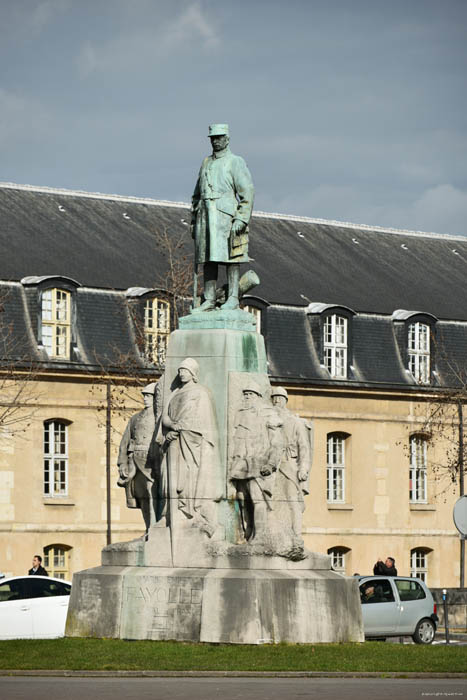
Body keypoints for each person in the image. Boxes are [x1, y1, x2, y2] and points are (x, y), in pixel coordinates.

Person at [191, 123, 255, 312]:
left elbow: (247, 192)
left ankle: (233, 297)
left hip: (226, 217)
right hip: (206, 217)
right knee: (208, 259)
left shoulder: (236, 161)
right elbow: (196, 195)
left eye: (219, 137)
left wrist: (241, 218)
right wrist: (194, 220)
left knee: (231, 258)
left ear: (227, 139)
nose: (216, 141)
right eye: (213, 138)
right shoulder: (206, 162)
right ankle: (209, 299)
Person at [161, 358, 223, 536]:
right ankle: (172, 514)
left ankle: (193, 512)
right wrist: (170, 431)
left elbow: (202, 421)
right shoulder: (174, 394)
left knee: (190, 477)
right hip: (175, 442)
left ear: (193, 374)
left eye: (185, 370)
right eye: (180, 370)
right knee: (173, 478)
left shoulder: (200, 393)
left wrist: (181, 428)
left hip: (192, 442)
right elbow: (166, 417)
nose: (181, 373)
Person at [229, 381, 283, 542]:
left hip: (259, 463)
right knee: (242, 498)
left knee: (257, 498)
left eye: (250, 394)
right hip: (241, 464)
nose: (247, 397)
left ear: (258, 397)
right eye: (245, 394)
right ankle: (248, 532)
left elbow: (277, 442)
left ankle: (260, 535)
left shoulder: (268, 414)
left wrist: (271, 464)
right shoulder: (240, 414)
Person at [270, 387, 312, 542]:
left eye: (278, 399)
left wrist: (303, 468)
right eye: (273, 399)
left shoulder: (295, 422)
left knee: (292, 500)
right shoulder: (271, 422)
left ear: (283, 401)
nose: (275, 402)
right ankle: (277, 532)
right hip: (274, 466)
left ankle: (297, 535)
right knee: (273, 500)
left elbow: (304, 448)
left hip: (290, 465)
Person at [117, 382, 159, 532]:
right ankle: (148, 527)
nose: (145, 399)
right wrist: (122, 463)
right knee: (141, 496)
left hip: (151, 461)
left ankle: (155, 527)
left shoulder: (158, 417)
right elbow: (124, 442)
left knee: (152, 491)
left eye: (149, 396)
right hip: (134, 461)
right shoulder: (136, 418)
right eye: (144, 396)